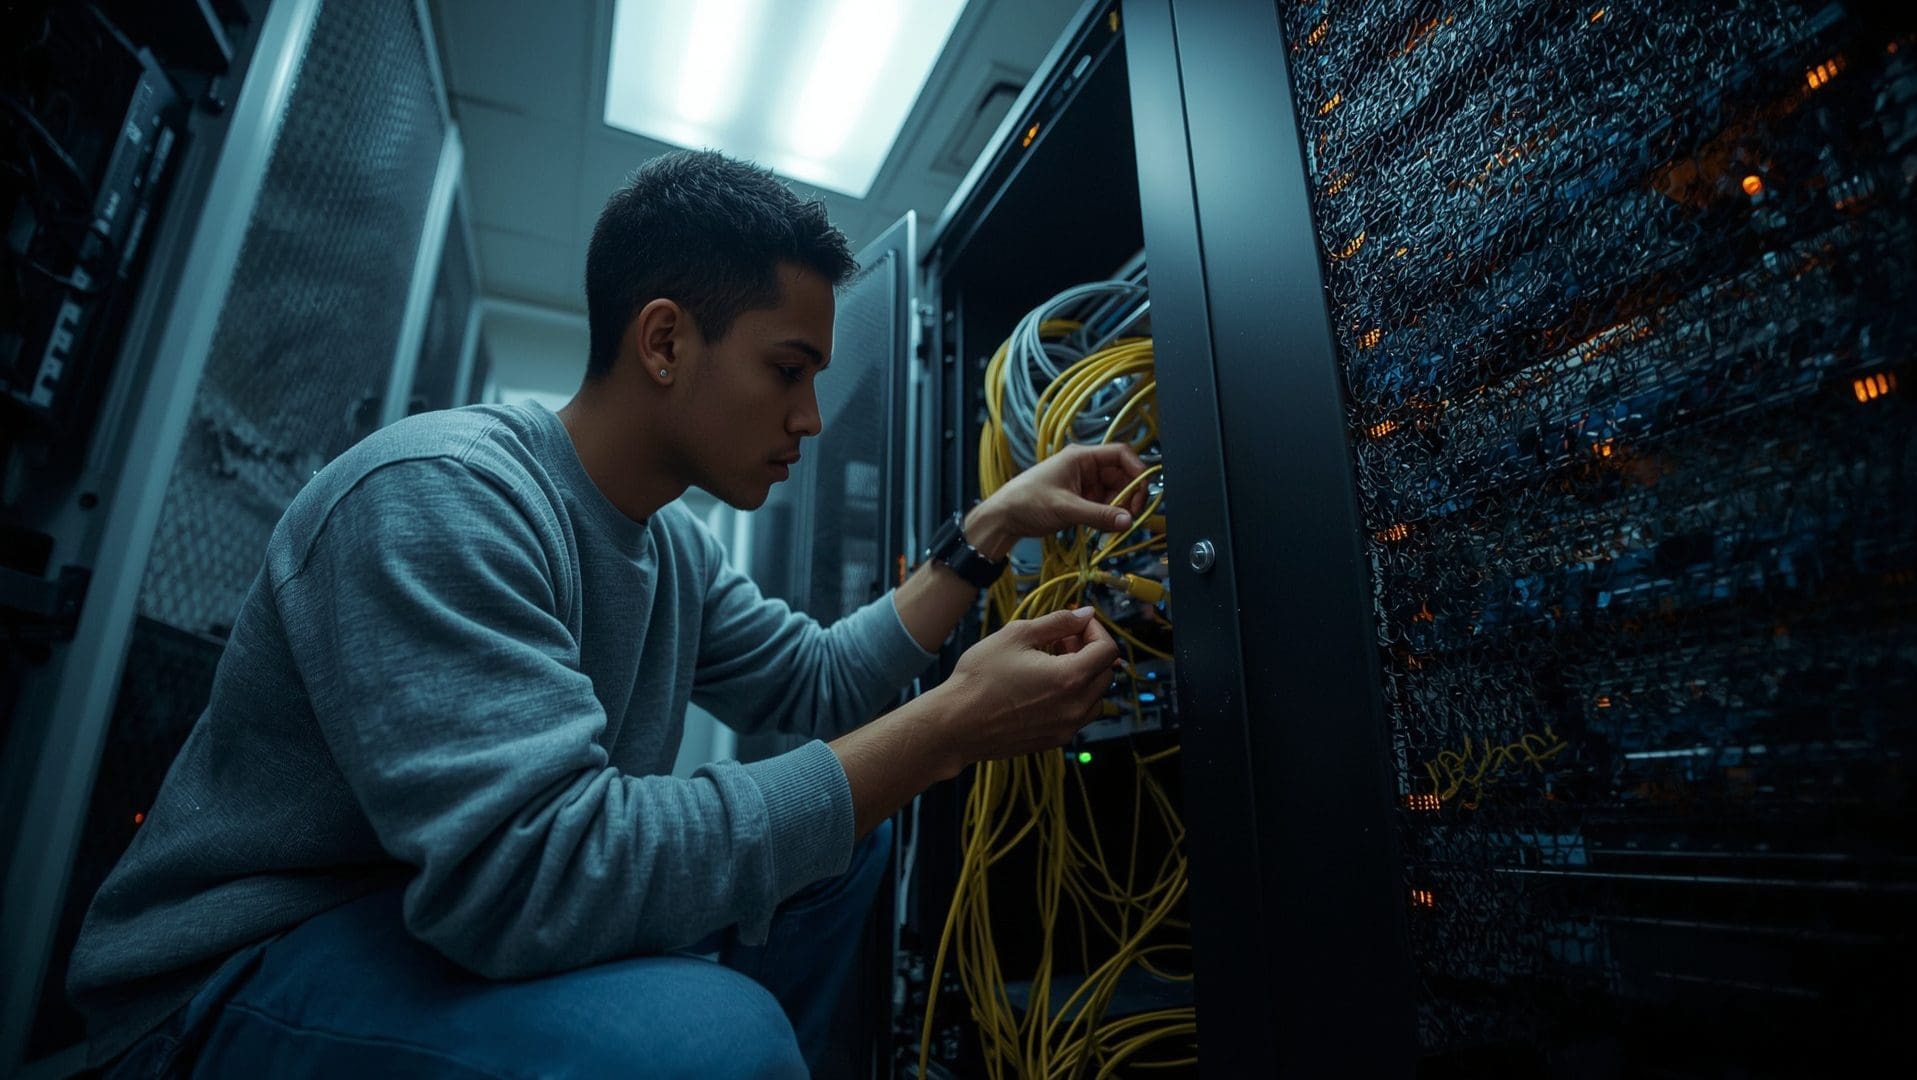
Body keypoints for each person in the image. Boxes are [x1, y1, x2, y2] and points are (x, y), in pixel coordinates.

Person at [67, 149, 1147, 1077]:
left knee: (838, 857)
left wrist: (990, 528)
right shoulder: (441, 496)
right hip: (232, 979)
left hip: (428, 926)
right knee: (718, 1045)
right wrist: (949, 727)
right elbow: (532, 875)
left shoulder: (667, 547)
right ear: (664, 341)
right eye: (788, 370)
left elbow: (816, 678)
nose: (812, 418)